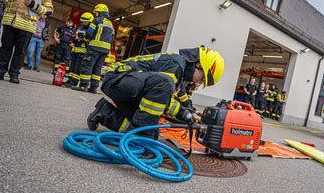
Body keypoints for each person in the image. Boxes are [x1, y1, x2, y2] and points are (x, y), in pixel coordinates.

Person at [86, 46, 224, 139]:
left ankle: (104, 113)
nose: (199, 83)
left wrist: (186, 112)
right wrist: (184, 113)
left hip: (126, 85)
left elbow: (161, 98)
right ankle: (140, 136)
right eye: (202, 79)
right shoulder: (176, 64)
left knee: (153, 135)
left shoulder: (180, 73)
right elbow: (162, 95)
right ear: (198, 65)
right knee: (146, 132)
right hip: (118, 79)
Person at [73, 3, 113, 93]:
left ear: (99, 12)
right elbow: (112, 37)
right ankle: (93, 88)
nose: (95, 14)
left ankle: (83, 86)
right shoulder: (111, 24)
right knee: (97, 68)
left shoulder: (96, 20)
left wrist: (87, 40)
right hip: (105, 50)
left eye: (96, 12)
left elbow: (89, 33)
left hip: (94, 48)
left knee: (87, 65)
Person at [65, 12, 93, 87]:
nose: (84, 23)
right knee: (72, 66)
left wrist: (81, 39)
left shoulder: (91, 30)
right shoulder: (80, 28)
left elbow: (89, 40)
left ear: (90, 22)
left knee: (78, 67)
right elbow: (75, 36)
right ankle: (70, 79)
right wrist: (74, 38)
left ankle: (74, 82)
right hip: (76, 50)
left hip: (83, 52)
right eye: (83, 21)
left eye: (86, 22)